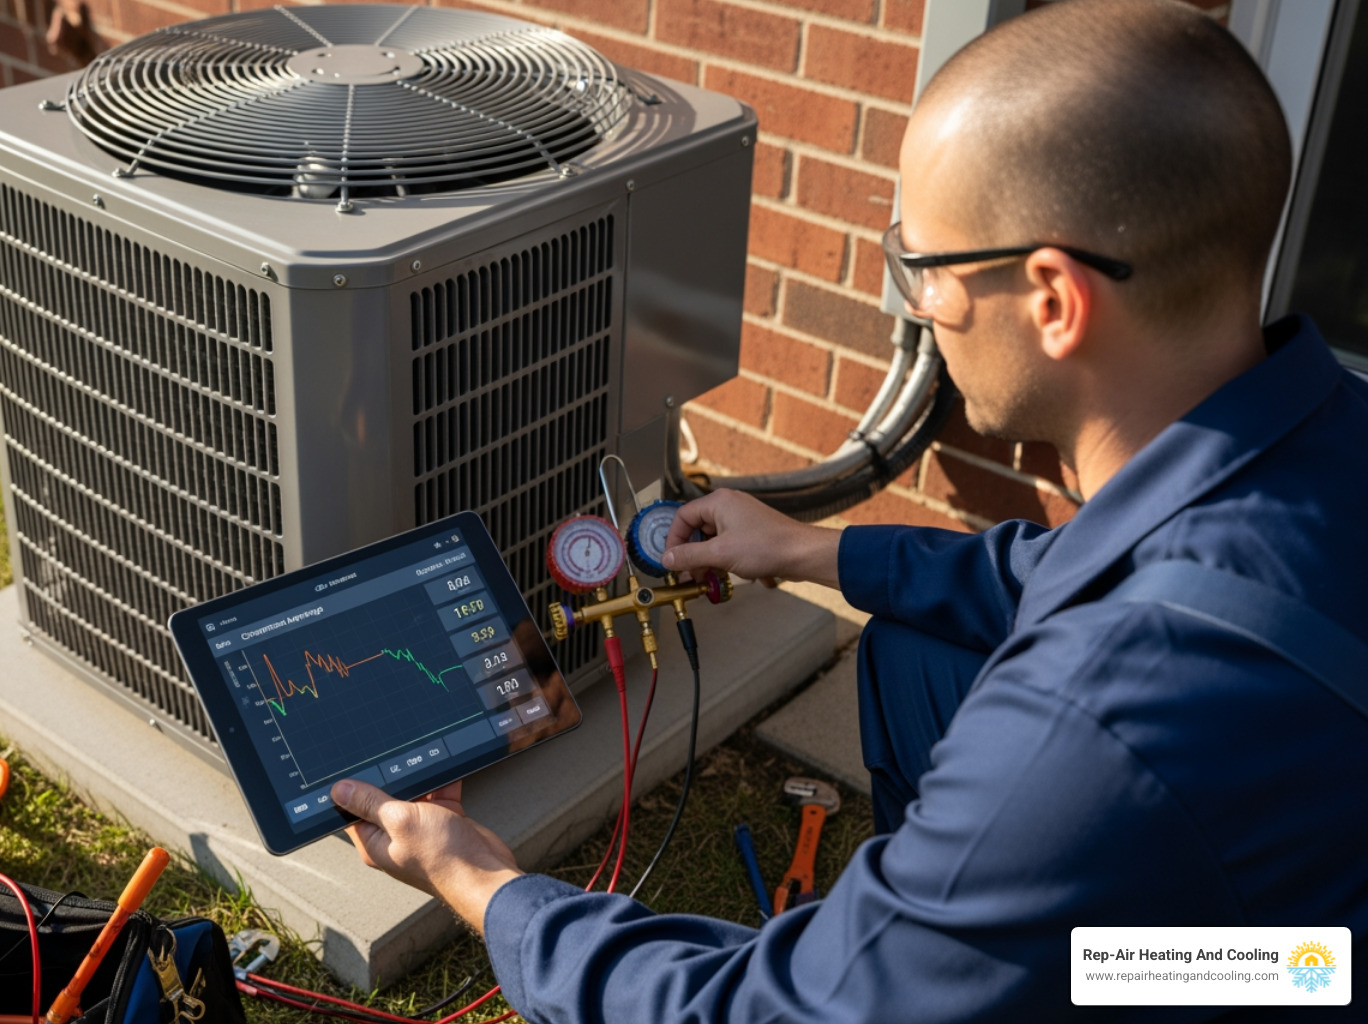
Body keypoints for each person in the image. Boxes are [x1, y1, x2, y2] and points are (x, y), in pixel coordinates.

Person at [331, 1, 1368, 1019]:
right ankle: (958, 944)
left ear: (1053, 299)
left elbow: (757, 1011)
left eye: (924, 265)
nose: (920, 305)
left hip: (1274, 971)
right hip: (1309, 952)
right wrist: (807, 548)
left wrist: (480, 881)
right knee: (915, 650)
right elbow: (1058, 571)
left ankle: (941, 956)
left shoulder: (1087, 721)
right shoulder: (1321, 431)